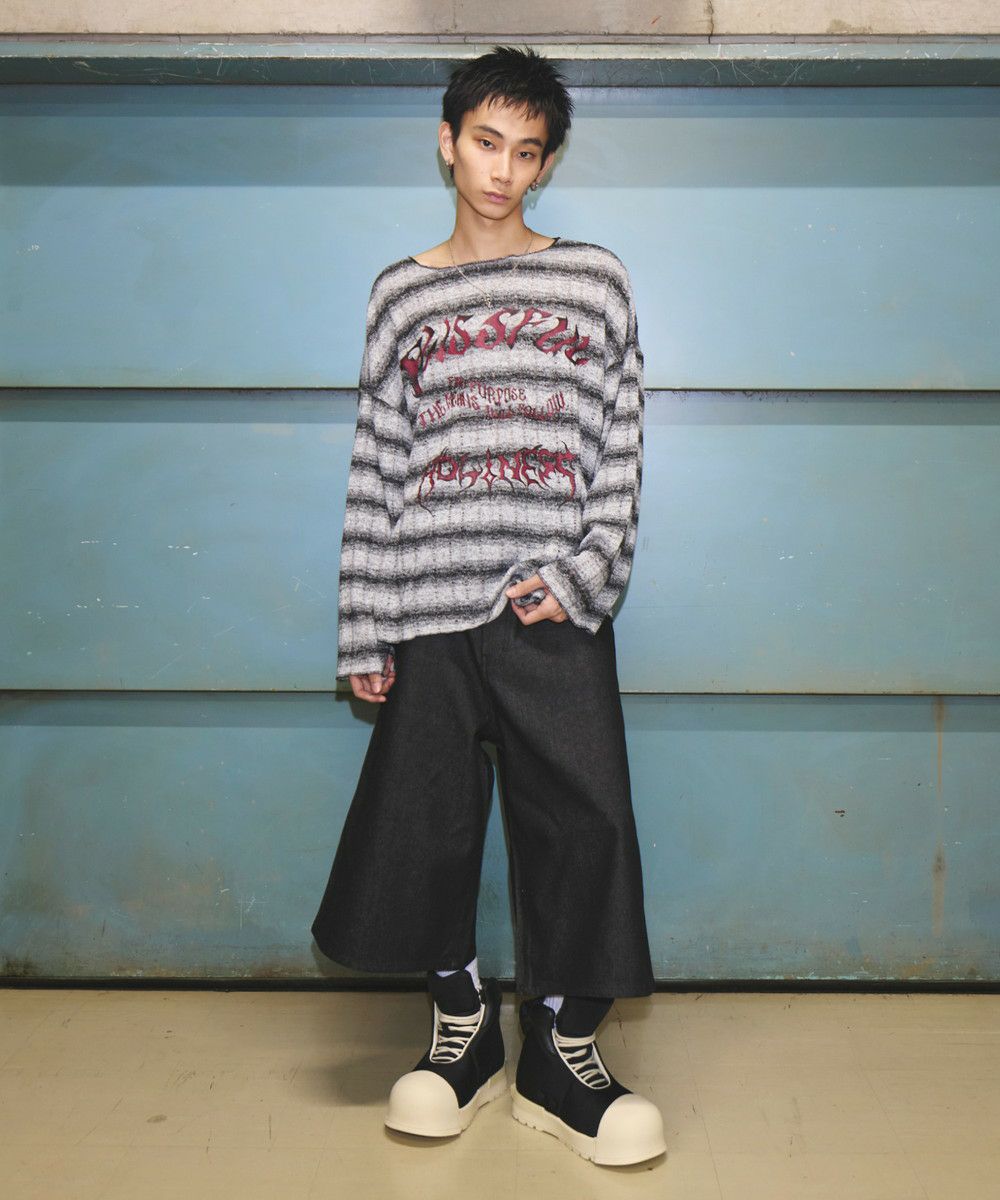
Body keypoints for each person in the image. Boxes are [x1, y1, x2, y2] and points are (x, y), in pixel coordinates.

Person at [311, 45, 665, 1167]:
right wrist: (365, 621)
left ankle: (561, 1049)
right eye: (484, 143)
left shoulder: (593, 280)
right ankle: (460, 1030)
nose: (502, 170)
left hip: (549, 606)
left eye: (526, 151)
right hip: (424, 601)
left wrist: (584, 576)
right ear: (447, 141)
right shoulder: (401, 293)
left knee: (584, 819)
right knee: (425, 821)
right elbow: (378, 465)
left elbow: (619, 446)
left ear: (546, 163)